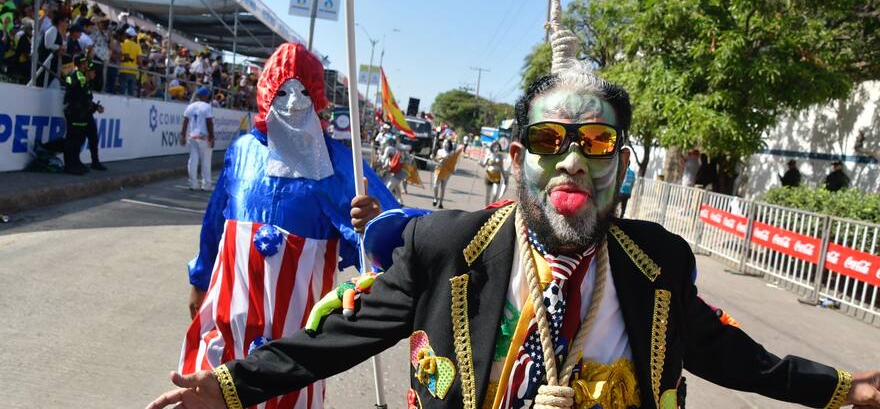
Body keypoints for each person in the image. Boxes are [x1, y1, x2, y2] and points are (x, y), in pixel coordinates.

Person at [147, 61, 880, 409]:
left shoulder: (657, 266)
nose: (572, 158)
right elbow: (340, 336)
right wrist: (234, 384)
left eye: (595, 141)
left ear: (621, 166)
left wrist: (840, 387)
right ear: (518, 157)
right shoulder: (446, 248)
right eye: (550, 138)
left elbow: (729, 352)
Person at [174, 43, 399, 409]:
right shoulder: (243, 151)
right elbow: (215, 220)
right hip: (226, 331)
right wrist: (199, 279)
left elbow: (397, 240)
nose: (293, 103)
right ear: (266, 92)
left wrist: (374, 224)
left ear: (319, 97)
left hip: (293, 351)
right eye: (282, 91)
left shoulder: (341, 165)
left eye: (304, 92)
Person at [44, 56, 104, 175]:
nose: (87, 66)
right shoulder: (78, 76)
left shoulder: (80, 77)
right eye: (85, 63)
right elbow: (77, 96)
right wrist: (87, 106)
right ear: (81, 64)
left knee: (78, 140)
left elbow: (83, 96)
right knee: (73, 140)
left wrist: (92, 107)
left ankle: (75, 163)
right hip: (76, 112)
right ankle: (68, 164)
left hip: (79, 112)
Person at [180, 87, 214, 191]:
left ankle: (193, 183)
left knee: (193, 161)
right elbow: (209, 122)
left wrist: (182, 135)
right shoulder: (207, 107)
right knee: (206, 162)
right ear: (205, 96)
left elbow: (185, 121)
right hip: (203, 137)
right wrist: (211, 136)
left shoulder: (190, 106)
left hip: (192, 136)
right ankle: (206, 185)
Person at [432, 139, 461, 209]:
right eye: (444, 142)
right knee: (435, 185)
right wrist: (436, 159)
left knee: (443, 187)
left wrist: (453, 169)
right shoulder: (439, 151)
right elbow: (435, 159)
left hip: (446, 172)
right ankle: (435, 198)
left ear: (449, 144)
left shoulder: (451, 153)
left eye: (446, 143)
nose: (445, 144)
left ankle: (441, 203)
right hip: (438, 170)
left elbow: (454, 163)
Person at [482, 141, 507, 206]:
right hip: (488, 175)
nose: (496, 148)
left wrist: (504, 177)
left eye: (498, 147)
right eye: (495, 147)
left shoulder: (501, 156)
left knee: (495, 194)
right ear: (492, 147)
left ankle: (491, 207)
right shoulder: (489, 155)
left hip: (497, 177)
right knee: (488, 194)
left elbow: (501, 167)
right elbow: (484, 165)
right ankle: (486, 207)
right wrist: (480, 162)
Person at [119, 26, 141, 96]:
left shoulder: (122, 43)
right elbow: (139, 59)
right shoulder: (137, 46)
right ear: (133, 36)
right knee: (131, 92)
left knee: (122, 91)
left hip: (123, 69)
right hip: (133, 70)